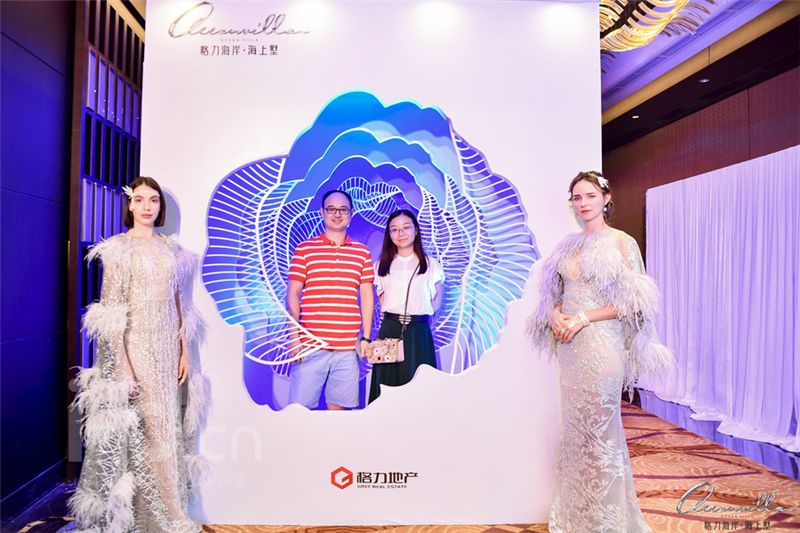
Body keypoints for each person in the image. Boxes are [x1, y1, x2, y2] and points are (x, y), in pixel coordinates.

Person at [526, 171, 671, 533]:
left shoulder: (622, 242)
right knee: (576, 433)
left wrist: (584, 317)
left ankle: (607, 522)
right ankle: (578, 518)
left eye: (590, 195)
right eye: (577, 197)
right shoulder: (567, 246)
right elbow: (555, 295)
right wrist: (555, 314)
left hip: (603, 346)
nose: (583, 203)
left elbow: (633, 302)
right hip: (571, 350)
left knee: (602, 431)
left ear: (606, 198)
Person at [69, 177, 207, 533]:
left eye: (154, 200)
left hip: (166, 350)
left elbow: (179, 303)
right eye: (140, 200)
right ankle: (138, 516)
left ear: (160, 207)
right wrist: (124, 369)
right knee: (140, 431)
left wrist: (184, 352)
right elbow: (112, 314)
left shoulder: (171, 249)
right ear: (129, 205)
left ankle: (169, 510)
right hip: (136, 349)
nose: (147, 207)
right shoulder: (119, 249)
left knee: (166, 430)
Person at [287, 190, 375, 410]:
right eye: (331, 209)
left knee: (339, 416)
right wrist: (294, 338)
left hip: (347, 348)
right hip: (310, 345)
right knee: (300, 412)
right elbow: (293, 294)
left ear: (351, 213)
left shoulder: (362, 252)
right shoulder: (304, 249)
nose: (337, 214)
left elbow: (367, 296)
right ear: (322, 212)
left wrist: (366, 337)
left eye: (343, 209)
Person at [369, 209, 444, 403]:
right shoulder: (380, 265)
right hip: (389, 329)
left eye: (406, 228)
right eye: (394, 229)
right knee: (386, 385)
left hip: (418, 332)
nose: (400, 233)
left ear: (416, 230)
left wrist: (421, 320)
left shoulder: (431, 265)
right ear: (389, 234)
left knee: (419, 387)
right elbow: (382, 300)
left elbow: (436, 301)